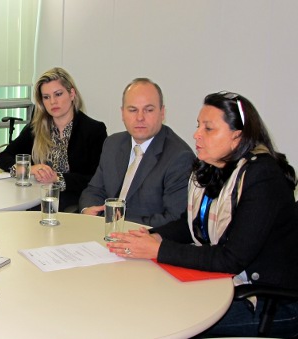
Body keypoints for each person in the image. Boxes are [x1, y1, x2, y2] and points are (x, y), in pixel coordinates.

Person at [107, 91, 298, 337]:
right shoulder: (213, 167)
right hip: (225, 283)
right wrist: (150, 236)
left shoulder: (262, 177)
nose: (197, 134)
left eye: (209, 128)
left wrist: (159, 250)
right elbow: (192, 226)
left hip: (268, 300)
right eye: (198, 125)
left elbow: (231, 259)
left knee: (163, 318)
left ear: (237, 137)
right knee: (143, 297)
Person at [78, 78, 194, 227]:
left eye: (149, 110)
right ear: (122, 113)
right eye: (132, 110)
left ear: (162, 112)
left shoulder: (179, 157)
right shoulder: (112, 144)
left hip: (143, 240)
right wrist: (88, 209)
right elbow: (94, 190)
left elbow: (174, 218)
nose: (140, 117)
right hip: (102, 232)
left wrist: (117, 223)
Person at [0, 67, 107, 211]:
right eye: (46, 97)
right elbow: (4, 157)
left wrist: (57, 178)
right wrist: (29, 169)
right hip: (34, 196)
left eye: (58, 94)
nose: (53, 102)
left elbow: (95, 180)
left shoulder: (93, 130)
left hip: (71, 200)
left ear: (72, 93)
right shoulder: (36, 128)